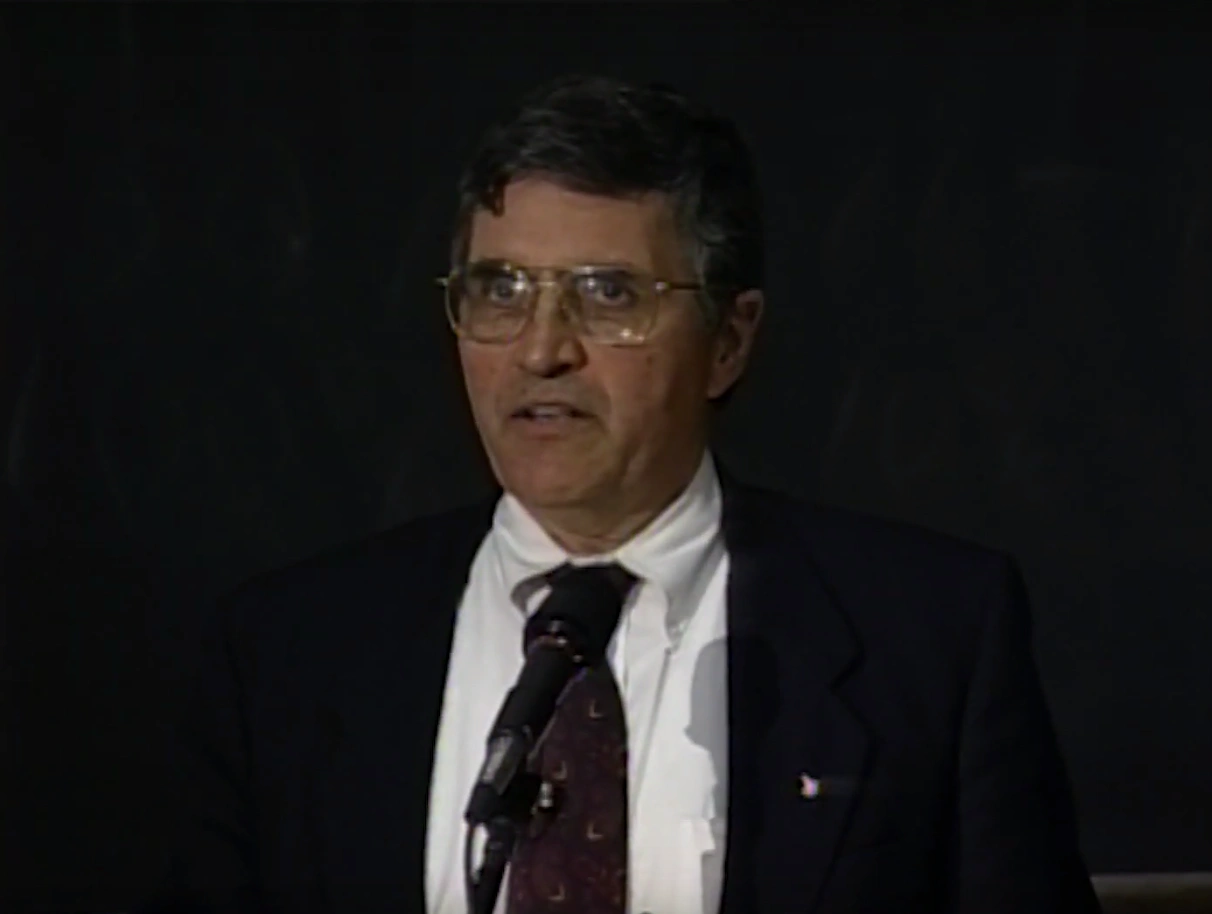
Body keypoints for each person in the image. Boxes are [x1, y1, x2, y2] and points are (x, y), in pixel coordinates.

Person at [151, 75, 1100, 914]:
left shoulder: (930, 639)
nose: (540, 348)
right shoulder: (286, 655)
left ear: (728, 340)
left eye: (608, 295)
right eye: (500, 289)